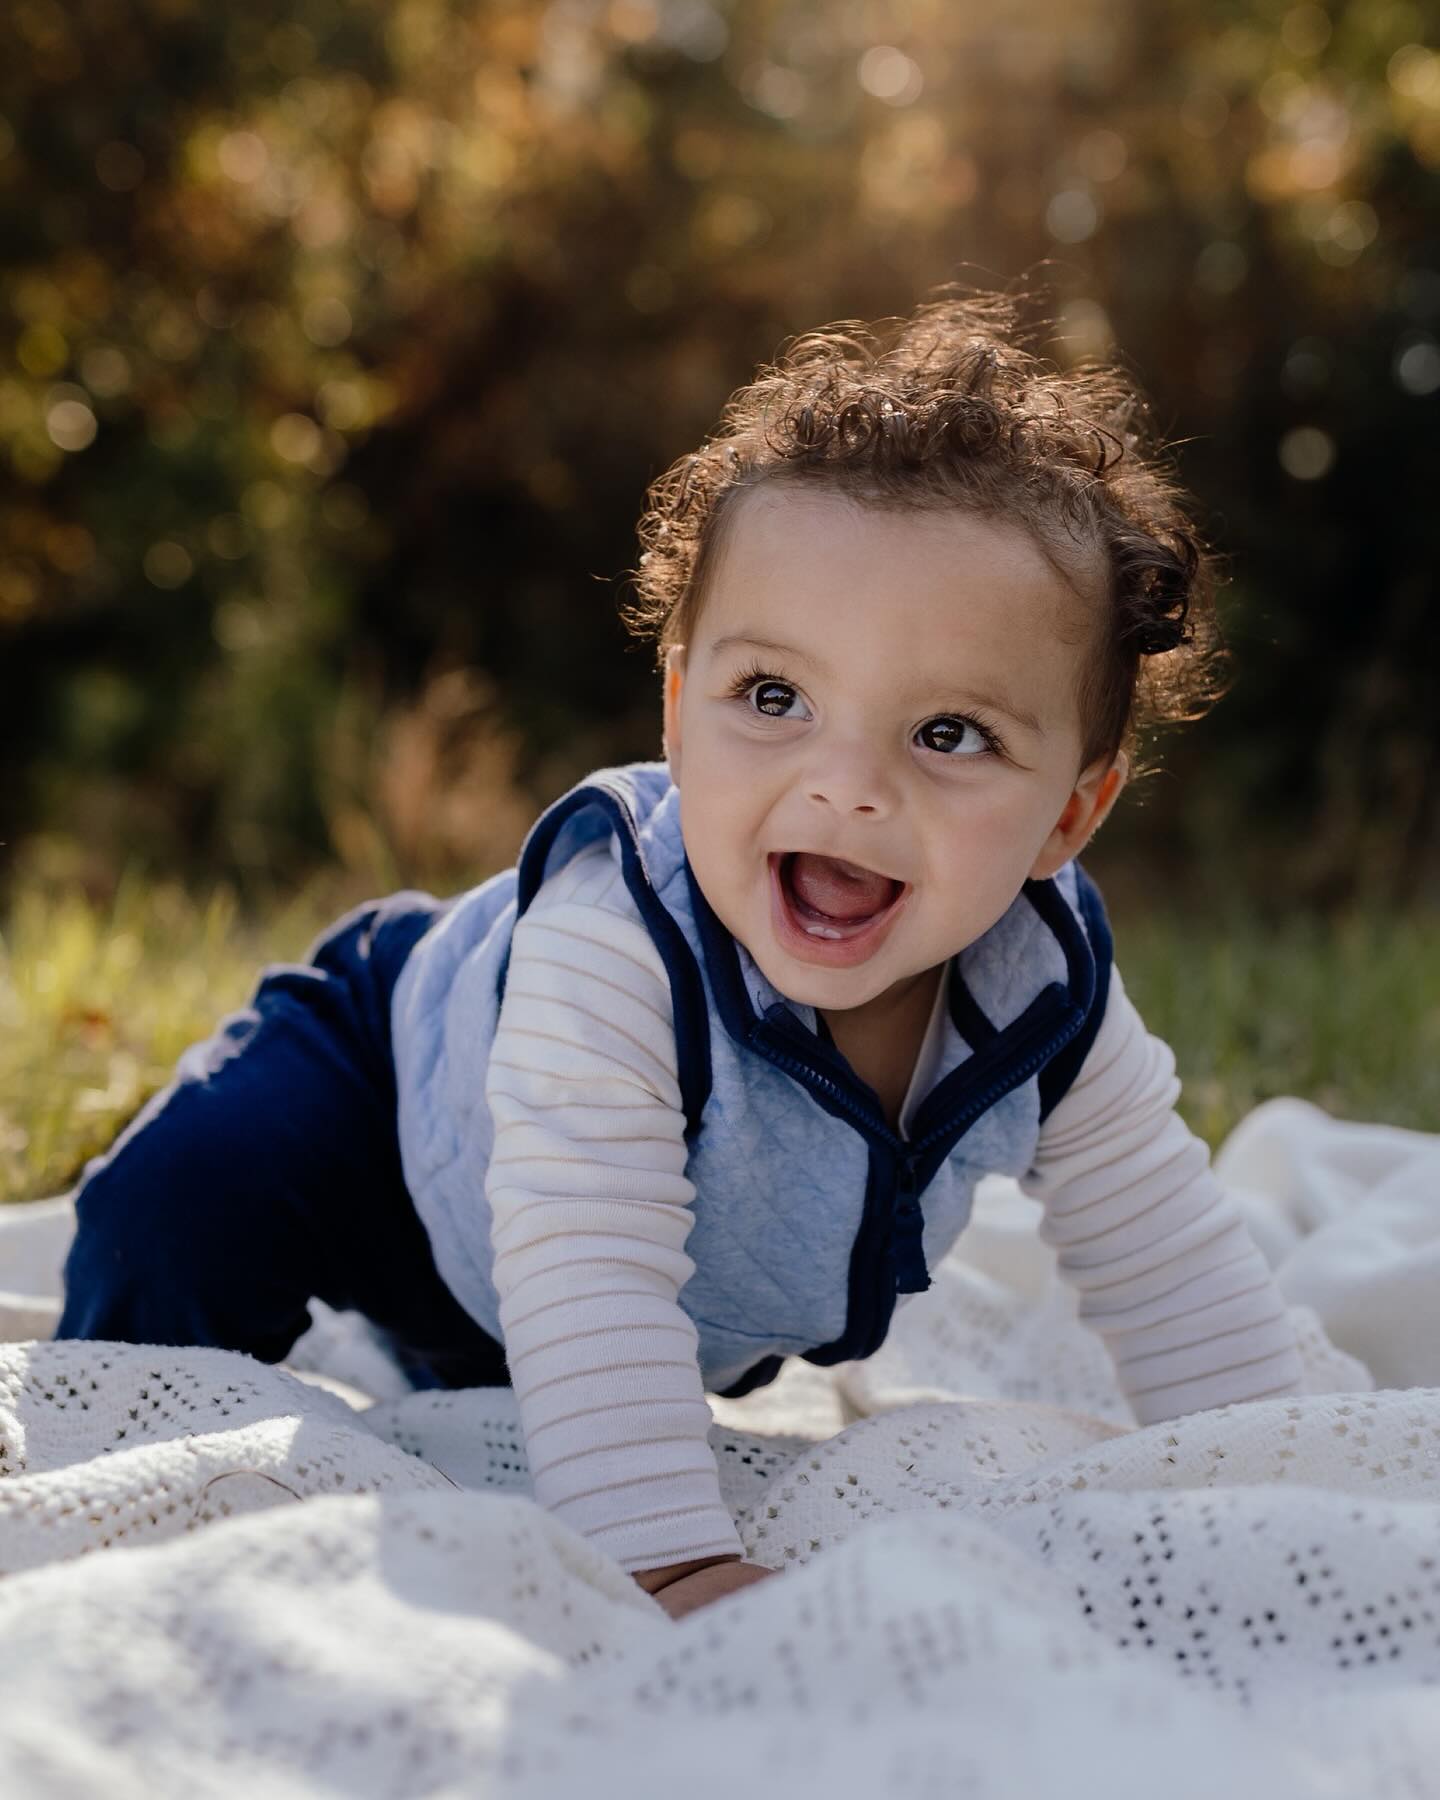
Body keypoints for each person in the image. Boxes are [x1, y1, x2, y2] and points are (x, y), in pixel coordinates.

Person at [56, 290, 1305, 1620]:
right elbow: (588, 1258)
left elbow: (1175, 1271)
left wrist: (1287, 1465)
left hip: (528, 1307)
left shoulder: (1044, 994)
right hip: (385, 1101)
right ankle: (104, 1457)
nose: (846, 786)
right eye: (776, 699)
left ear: (1071, 811)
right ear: (676, 707)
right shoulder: (618, 937)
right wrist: (664, 1558)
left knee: (499, 1387)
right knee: (187, 1206)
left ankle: (450, 1382)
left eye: (948, 733)